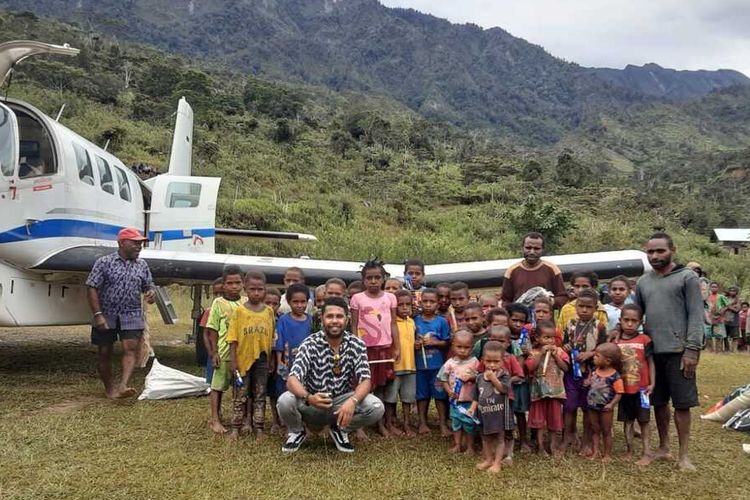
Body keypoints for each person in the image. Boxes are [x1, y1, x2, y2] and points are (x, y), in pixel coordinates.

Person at [277, 296, 384, 453]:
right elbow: (292, 379)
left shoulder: (356, 344)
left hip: (342, 402)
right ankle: (297, 432)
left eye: (339, 316)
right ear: (322, 319)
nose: (335, 321)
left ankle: (340, 430)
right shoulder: (310, 343)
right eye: (330, 316)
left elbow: (365, 380)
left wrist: (352, 401)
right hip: (313, 401)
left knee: (376, 407)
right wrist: (309, 397)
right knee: (285, 400)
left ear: (347, 320)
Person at [635, 232, 703, 471]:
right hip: (652, 353)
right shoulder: (643, 282)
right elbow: (634, 315)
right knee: (658, 402)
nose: (655, 256)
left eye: (660, 250)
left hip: (680, 350)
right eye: (650, 251)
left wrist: (692, 350)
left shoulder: (687, 278)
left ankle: (683, 455)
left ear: (672, 249)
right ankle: (664, 447)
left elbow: (696, 315)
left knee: (682, 404)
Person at [86, 227, 155, 399]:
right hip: (107, 313)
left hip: (131, 314)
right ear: (121, 243)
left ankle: (123, 386)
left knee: (130, 348)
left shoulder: (142, 265)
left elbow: (149, 287)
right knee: (104, 352)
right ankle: (109, 388)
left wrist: (151, 294)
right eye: (135, 243)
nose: (139, 247)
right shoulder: (104, 262)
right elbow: (92, 288)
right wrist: (98, 315)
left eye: (141, 244)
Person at [350, 259, 400, 436]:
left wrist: (397, 347)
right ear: (363, 279)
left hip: (385, 348)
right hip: (365, 350)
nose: (373, 281)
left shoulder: (390, 298)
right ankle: (359, 425)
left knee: (380, 386)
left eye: (377, 277)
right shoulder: (357, 298)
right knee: (362, 385)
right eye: (369, 278)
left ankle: (379, 423)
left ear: (383, 279)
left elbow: (393, 323)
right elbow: (354, 325)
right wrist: (356, 348)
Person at [226, 271, 276, 440]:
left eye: (260, 289)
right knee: (240, 394)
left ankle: (259, 427)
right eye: (252, 289)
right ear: (245, 289)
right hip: (242, 360)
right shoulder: (239, 312)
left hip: (262, 360)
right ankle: (236, 427)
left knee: (260, 394)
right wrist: (233, 362)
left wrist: (270, 361)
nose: (256, 293)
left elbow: (270, 338)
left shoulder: (268, 312)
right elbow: (232, 339)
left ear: (265, 290)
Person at [561, 288, 608, 453]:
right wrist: (565, 347)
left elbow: (604, 349)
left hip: (591, 373)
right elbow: (564, 344)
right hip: (571, 373)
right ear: (576, 306)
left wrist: (591, 353)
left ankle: (587, 441)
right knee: (569, 405)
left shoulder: (599, 326)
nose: (584, 310)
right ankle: (567, 435)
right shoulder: (570, 325)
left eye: (589, 307)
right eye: (581, 306)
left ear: (596, 308)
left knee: (588, 407)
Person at [204, 266, 246, 434]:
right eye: (230, 283)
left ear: (243, 283)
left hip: (242, 353)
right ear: (223, 284)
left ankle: (239, 417)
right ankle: (215, 418)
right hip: (224, 352)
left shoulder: (245, 302)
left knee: (240, 387)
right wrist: (214, 352)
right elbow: (212, 329)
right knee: (218, 386)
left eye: (238, 283)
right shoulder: (218, 303)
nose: (234, 286)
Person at [612, 304, 655, 465]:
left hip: (642, 388)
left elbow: (651, 362)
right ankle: (629, 450)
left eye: (634, 321)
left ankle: (647, 451)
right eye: (626, 320)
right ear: (620, 321)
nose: (630, 324)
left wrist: (653, 383)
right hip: (623, 389)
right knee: (627, 421)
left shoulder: (645, 340)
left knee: (644, 421)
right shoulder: (616, 342)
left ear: (640, 322)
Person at [272, 283, 313, 435]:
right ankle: (288, 423)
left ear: (307, 302)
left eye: (303, 302)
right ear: (288, 302)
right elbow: (279, 343)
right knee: (285, 391)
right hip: (288, 362)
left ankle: (305, 422)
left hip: (307, 364)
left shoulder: (311, 320)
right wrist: (279, 362)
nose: (299, 305)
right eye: (295, 302)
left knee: (305, 391)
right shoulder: (283, 320)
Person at [526, 321, 569, 456]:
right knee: (539, 421)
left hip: (555, 392)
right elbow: (531, 368)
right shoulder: (533, 353)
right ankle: (540, 446)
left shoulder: (560, 351)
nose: (549, 340)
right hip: (539, 392)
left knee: (554, 420)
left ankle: (553, 445)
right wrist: (540, 354)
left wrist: (555, 355)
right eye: (546, 337)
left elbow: (565, 368)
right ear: (538, 338)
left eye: (552, 337)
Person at [414, 288, 451, 435]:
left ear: (437, 303)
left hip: (437, 367)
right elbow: (410, 341)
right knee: (422, 395)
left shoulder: (442, 322)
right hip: (420, 366)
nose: (428, 304)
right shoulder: (414, 321)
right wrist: (415, 345)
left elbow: (446, 342)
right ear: (420, 302)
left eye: (432, 301)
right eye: (425, 301)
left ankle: (442, 424)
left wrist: (435, 343)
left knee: (440, 395)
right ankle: (423, 423)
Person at [438, 330, 480, 454]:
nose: (462, 350)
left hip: (470, 401)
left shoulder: (474, 362)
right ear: (453, 346)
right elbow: (443, 378)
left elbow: (480, 378)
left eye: (466, 347)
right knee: (456, 423)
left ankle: (470, 447)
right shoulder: (450, 363)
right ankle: (457, 445)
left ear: (472, 347)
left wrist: (472, 378)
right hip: (455, 401)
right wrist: (449, 391)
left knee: (469, 424)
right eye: (459, 347)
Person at [501, 232, 568, 309]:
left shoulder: (552, 269)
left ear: (543, 249)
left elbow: (563, 297)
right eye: (528, 248)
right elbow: (506, 300)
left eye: (536, 249)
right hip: (521, 319)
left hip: (544, 318)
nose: (532, 252)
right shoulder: (512, 271)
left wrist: (549, 301)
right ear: (522, 248)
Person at [472, 340, 511, 473]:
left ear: (502, 361)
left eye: (496, 362)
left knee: (499, 438)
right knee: (485, 437)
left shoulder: (504, 375)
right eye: (488, 361)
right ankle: (488, 459)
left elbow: (503, 390)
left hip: (499, 414)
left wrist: (494, 378)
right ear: (483, 360)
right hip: (484, 413)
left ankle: (497, 463)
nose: (492, 365)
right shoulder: (479, 378)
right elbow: (476, 396)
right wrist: (472, 408)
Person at [585, 343, 624, 462]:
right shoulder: (594, 371)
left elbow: (619, 392)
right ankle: (595, 451)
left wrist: (612, 404)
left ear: (607, 361)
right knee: (595, 429)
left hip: (606, 407)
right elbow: (590, 382)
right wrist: (587, 382)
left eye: (597, 356)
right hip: (592, 405)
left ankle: (607, 454)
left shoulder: (615, 376)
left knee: (606, 431)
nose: (594, 358)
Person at [386, 290, 417, 436]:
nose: (405, 308)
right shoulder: (391, 323)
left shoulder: (411, 322)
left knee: (408, 397)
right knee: (391, 398)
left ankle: (406, 423)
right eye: (401, 305)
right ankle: (389, 422)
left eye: (408, 304)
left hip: (410, 367)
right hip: (395, 367)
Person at [506, 302, 532, 452]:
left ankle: (523, 440)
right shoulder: (503, 335)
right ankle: (508, 439)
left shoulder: (524, 337)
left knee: (520, 412)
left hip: (520, 381)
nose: (517, 323)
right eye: (514, 320)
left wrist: (528, 352)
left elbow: (528, 356)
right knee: (506, 411)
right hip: (504, 381)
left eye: (521, 321)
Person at [201, 277, 224, 384]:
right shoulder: (209, 311)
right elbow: (206, 333)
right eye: (216, 293)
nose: (218, 296)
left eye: (222, 293)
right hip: (214, 350)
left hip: (227, 349)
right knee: (212, 378)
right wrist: (210, 351)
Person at [706, 282, 729, 353]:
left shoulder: (721, 296)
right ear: (710, 288)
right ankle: (709, 350)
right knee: (708, 334)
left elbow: (727, 305)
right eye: (712, 287)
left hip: (718, 317)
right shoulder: (707, 296)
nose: (714, 288)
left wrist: (722, 311)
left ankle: (718, 351)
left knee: (718, 334)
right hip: (709, 317)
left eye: (715, 287)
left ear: (718, 288)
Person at [722, 286, 741, 353]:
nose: (732, 292)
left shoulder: (738, 300)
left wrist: (728, 307)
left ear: (736, 292)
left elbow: (737, 310)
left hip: (734, 321)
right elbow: (721, 309)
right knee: (725, 336)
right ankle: (727, 349)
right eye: (731, 291)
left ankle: (734, 350)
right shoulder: (725, 298)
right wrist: (731, 307)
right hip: (725, 320)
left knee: (735, 336)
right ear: (729, 291)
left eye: (734, 291)